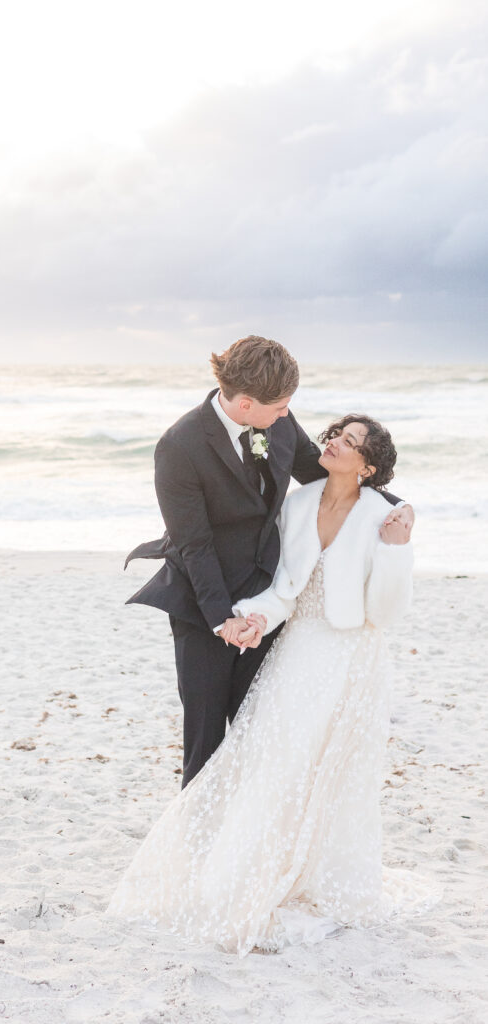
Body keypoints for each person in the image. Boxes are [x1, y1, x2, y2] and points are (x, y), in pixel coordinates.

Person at [108, 415, 422, 955]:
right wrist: (252, 619)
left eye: (350, 442)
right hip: (296, 649)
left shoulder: (383, 518)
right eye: (335, 434)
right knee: (271, 759)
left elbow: (386, 613)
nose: (333, 443)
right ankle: (254, 869)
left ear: (368, 467)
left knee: (328, 771)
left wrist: (396, 549)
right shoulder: (297, 506)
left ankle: (315, 871)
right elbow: (283, 590)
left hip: (351, 657)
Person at [125, 336, 413, 787]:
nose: (286, 414)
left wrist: (397, 507)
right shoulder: (179, 446)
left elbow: (329, 478)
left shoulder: (277, 419)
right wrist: (222, 619)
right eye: (280, 407)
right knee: (205, 737)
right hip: (203, 601)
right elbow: (194, 545)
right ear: (245, 404)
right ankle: (197, 829)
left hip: (267, 598)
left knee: (255, 731)